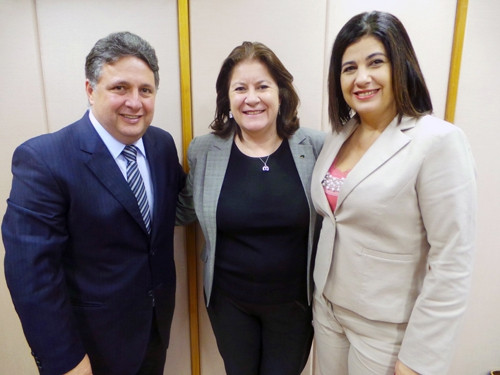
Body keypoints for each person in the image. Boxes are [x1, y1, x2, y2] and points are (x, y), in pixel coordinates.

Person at [2, 32, 188, 375]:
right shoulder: (44, 160)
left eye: (145, 90)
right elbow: (31, 276)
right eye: (120, 88)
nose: (135, 102)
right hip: (89, 349)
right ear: (90, 90)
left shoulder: (162, 145)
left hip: (154, 331)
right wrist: (66, 361)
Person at [311, 11, 476, 375]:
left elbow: (453, 259)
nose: (362, 78)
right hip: (327, 311)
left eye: (375, 62)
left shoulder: (437, 141)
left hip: (387, 330)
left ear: (400, 65)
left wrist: (419, 358)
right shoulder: (339, 134)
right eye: (349, 67)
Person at [182, 41, 324, 375]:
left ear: (281, 93)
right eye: (240, 88)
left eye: (262, 86)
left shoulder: (316, 147)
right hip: (229, 304)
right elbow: (183, 210)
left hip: (294, 305)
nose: (252, 98)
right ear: (227, 98)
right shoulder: (203, 151)